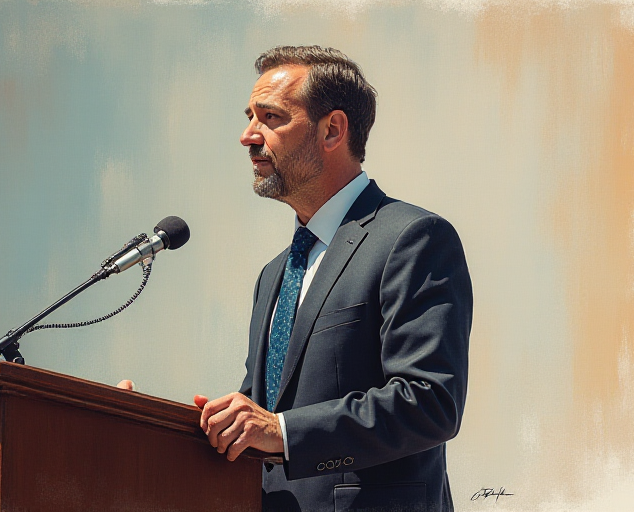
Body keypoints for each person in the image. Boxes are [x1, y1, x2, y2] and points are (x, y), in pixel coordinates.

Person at [120, 46, 472, 512]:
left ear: (332, 130)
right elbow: (255, 424)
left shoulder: (412, 239)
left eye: (271, 117)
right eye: (250, 117)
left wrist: (281, 432)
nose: (248, 136)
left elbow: (429, 403)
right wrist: (139, 423)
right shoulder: (274, 274)